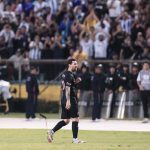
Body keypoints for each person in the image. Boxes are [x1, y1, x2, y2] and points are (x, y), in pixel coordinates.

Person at [47, 58, 85, 144]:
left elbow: (67, 86)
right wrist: (68, 100)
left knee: (67, 120)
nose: (76, 65)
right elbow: (67, 88)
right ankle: (75, 139)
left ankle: (51, 132)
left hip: (64, 98)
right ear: (69, 65)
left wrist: (75, 82)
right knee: (76, 119)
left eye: (76, 64)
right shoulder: (69, 75)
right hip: (70, 98)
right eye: (74, 64)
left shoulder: (65, 74)